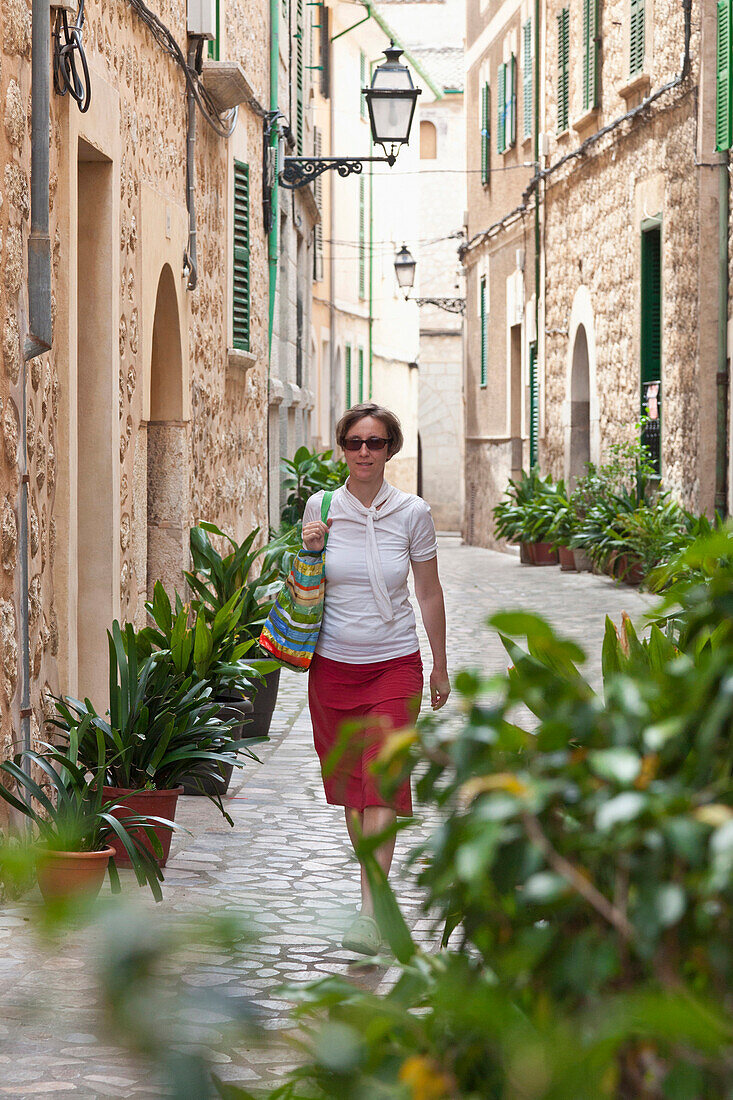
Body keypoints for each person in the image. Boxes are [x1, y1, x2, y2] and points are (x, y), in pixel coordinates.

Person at [302, 402, 450, 956]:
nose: (364, 452)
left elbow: (429, 592)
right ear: (342, 448)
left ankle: (372, 907)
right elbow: (306, 586)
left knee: (382, 780)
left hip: (395, 664)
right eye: (355, 442)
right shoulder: (319, 507)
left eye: (376, 442)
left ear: (391, 449)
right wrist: (310, 550)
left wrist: (439, 663)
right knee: (353, 793)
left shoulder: (412, 513)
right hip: (334, 666)